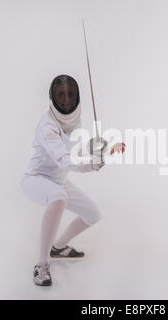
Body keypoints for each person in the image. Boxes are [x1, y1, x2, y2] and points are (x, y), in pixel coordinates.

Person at [20, 74, 125, 286]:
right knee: (59, 198)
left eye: (70, 94)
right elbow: (64, 160)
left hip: (58, 180)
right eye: (61, 95)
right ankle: (42, 264)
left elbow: (76, 146)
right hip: (36, 179)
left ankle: (57, 247)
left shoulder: (73, 120)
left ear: (77, 97)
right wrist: (93, 165)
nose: (66, 100)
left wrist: (106, 149)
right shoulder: (47, 126)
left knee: (93, 214)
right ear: (52, 98)